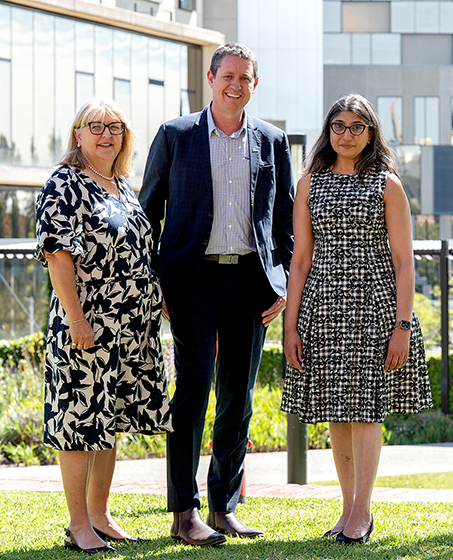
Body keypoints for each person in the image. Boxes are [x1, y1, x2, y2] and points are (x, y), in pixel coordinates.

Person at [140, 43, 294, 546]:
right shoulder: (175, 135)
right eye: (228, 76)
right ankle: (184, 512)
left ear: (254, 84)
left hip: (251, 282)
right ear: (211, 79)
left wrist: (283, 282)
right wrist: (157, 282)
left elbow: (286, 220)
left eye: (245, 78)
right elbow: (147, 214)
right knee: (192, 391)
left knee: (238, 397)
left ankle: (224, 507)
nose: (236, 85)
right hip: (192, 282)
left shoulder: (272, 141)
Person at [281, 93, 432, 545]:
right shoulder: (309, 183)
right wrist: (290, 325)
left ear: (371, 133)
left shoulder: (387, 184)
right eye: (339, 126)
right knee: (337, 412)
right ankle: (346, 508)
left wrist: (401, 327)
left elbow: (404, 262)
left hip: (375, 309)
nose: (346, 135)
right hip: (323, 309)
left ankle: (362, 511)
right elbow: (300, 260)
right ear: (328, 131)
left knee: (365, 410)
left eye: (356, 127)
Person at [35, 96, 171, 554]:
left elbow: (138, 250)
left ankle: (100, 515)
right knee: (79, 420)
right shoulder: (64, 183)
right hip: (88, 322)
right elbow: (58, 253)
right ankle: (78, 525)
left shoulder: (122, 185)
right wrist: (76, 318)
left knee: (108, 418)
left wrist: (155, 294)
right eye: (95, 126)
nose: (106, 134)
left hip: (130, 324)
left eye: (115, 127)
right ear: (78, 135)